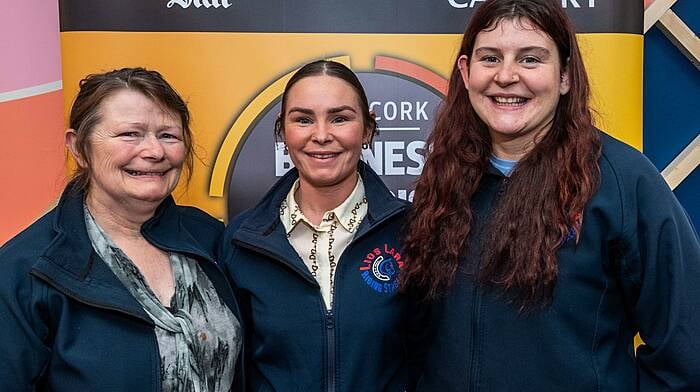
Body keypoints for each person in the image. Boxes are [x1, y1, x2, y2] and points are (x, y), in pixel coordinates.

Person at [400, 0, 700, 390]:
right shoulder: (445, 177)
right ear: (466, 71)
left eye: (530, 60)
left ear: (565, 77)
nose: (506, 76)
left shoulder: (622, 180)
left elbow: (687, 348)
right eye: (490, 58)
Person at [0, 68, 242, 391]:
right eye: (130, 134)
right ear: (78, 147)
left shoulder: (212, 239)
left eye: (168, 135)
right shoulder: (25, 270)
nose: (154, 151)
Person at [221, 60, 424, 391]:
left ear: (368, 129)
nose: (321, 135)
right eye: (303, 120)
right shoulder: (242, 240)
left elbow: (432, 360)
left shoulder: (413, 231)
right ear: (282, 131)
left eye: (340, 118)